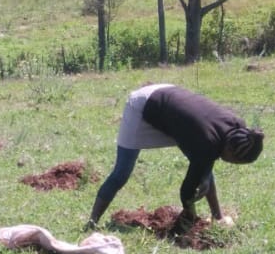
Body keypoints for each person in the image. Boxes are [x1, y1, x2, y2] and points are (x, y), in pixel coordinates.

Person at [87, 84, 264, 231]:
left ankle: (218, 217)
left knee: (204, 167)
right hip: (143, 105)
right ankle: (92, 222)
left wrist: (203, 178)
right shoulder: (207, 143)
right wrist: (190, 215)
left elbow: (206, 161)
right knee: (121, 172)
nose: (231, 164)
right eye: (236, 162)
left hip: (171, 105)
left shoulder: (238, 129)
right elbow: (187, 191)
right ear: (231, 151)